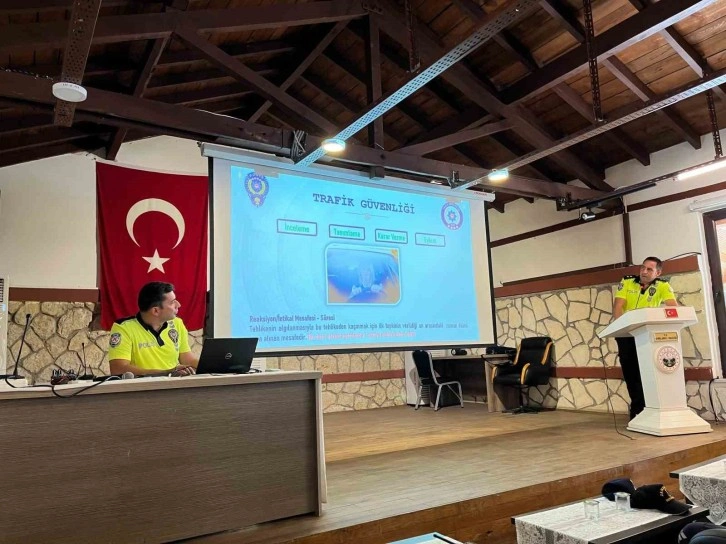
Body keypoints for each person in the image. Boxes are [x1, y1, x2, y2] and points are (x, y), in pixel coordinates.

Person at [612, 257, 677, 419]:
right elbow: (618, 306)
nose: (644, 271)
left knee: (648, 372)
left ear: (658, 273)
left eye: (649, 269)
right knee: (631, 372)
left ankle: (652, 408)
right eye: (643, 268)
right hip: (627, 335)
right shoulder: (627, 282)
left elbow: (673, 307)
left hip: (647, 336)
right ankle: (637, 409)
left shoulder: (662, 285)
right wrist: (622, 328)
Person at [108, 281, 198, 377]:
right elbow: (118, 369)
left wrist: (208, 366)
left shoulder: (177, 323)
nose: (178, 305)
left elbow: (187, 358)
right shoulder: (123, 328)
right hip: (142, 385)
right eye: (172, 302)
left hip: (174, 384)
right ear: (155, 311)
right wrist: (167, 373)